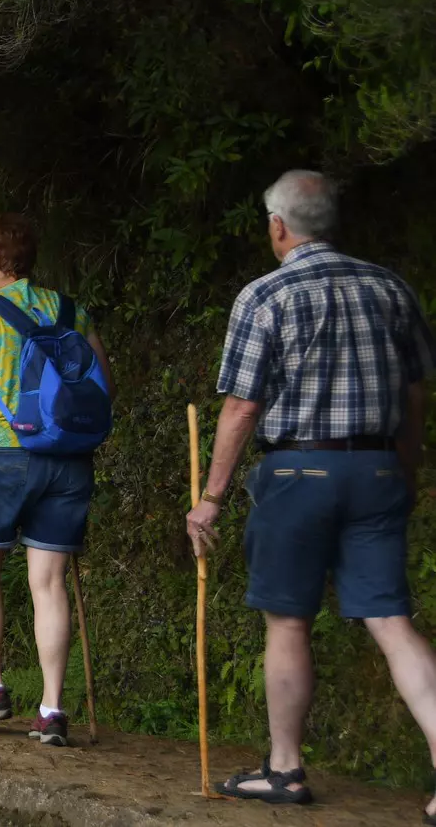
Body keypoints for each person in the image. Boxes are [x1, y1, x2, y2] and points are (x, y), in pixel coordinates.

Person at [184, 170, 436, 811]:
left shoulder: (266, 296)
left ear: (278, 225)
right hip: (377, 469)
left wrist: (210, 498)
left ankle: (286, 769)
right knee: (391, 621)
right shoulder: (391, 289)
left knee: (289, 620)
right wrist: (403, 473)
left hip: (297, 475)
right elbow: (414, 396)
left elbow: (242, 408)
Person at [0, 214, 112, 746]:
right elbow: (104, 385)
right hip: (68, 459)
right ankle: (51, 708)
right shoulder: (71, 311)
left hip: (1, 457)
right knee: (49, 582)